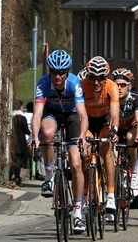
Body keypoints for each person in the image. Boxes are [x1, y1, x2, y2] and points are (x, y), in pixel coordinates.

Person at [31, 49, 88, 233]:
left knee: (76, 164)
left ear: (67, 72)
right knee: (46, 133)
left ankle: (78, 213)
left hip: (72, 115)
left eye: (61, 72)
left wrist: (82, 136)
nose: (57, 76)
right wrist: (34, 136)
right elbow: (37, 115)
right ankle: (49, 178)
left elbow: (82, 115)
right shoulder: (43, 83)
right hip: (52, 114)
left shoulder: (74, 83)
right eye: (53, 72)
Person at [81, 56, 120, 212]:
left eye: (100, 78)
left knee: (106, 151)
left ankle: (110, 196)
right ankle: (85, 193)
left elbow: (115, 115)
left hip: (104, 121)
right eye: (92, 77)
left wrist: (114, 130)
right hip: (88, 121)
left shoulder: (112, 87)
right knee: (85, 153)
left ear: (107, 77)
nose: (96, 82)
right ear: (87, 76)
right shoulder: (82, 86)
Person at [111, 68, 138, 196]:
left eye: (122, 85)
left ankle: (135, 172)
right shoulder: (110, 99)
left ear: (129, 86)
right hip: (116, 127)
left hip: (131, 126)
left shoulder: (136, 99)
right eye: (116, 85)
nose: (119, 88)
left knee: (131, 137)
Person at [10, 99, 31, 187]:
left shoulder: (12, 118)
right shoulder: (22, 118)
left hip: (13, 140)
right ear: (20, 107)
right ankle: (17, 178)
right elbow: (26, 130)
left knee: (14, 159)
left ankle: (11, 176)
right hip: (21, 140)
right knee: (19, 159)